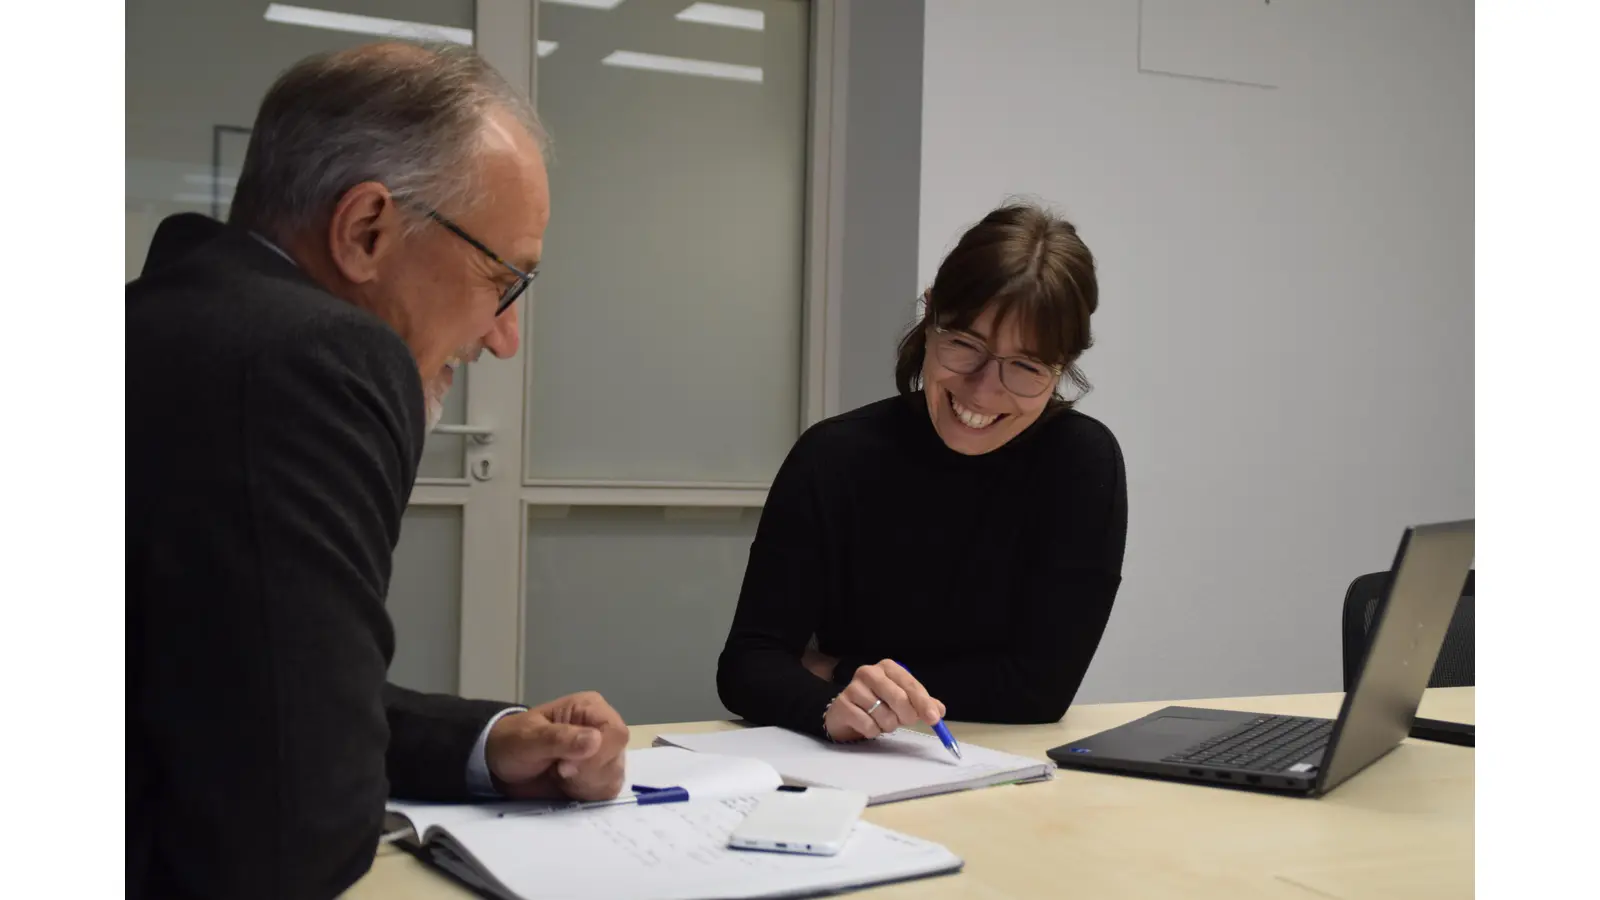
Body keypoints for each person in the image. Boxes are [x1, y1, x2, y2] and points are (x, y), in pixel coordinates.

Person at [127, 43, 629, 900]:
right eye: (501, 277)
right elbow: (288, 832)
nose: (503, 338)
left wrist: (489, 742)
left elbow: (233, 690)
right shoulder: (309, 356)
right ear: (366, 230)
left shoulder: (157, 330)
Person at [716, 202, 1128, 743]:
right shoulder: (834, 457)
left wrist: (836, 670)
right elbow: (747, 665)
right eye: (964, 345)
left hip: (1010, 766)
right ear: (931, 317)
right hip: (859, 767)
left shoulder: (1081, 464)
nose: (983, 389)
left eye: (1025, 367)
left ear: (1061, 367)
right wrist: (827, 707)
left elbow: (1039, 690)